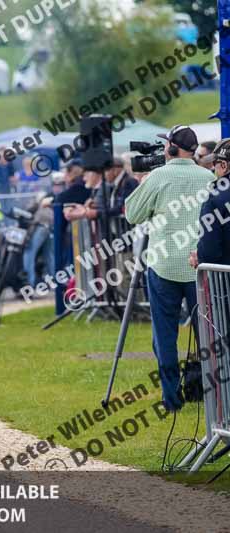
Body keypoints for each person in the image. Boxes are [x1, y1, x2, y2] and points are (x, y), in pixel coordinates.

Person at [125, 125, 214, 412]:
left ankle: (172, 398)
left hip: (163, 265)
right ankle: (216, 399)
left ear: (171, 148)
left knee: (164, 337)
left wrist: (145, 184)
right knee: (209, 335)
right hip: (200, 266)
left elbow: (132, 214)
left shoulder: (158, 176)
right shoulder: (209, 177)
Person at [193, 138, 230, 266]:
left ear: (224, 165)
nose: (213, 168)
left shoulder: (215, 199)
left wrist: (199, 256)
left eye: (215, 164)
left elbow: (210, 251)